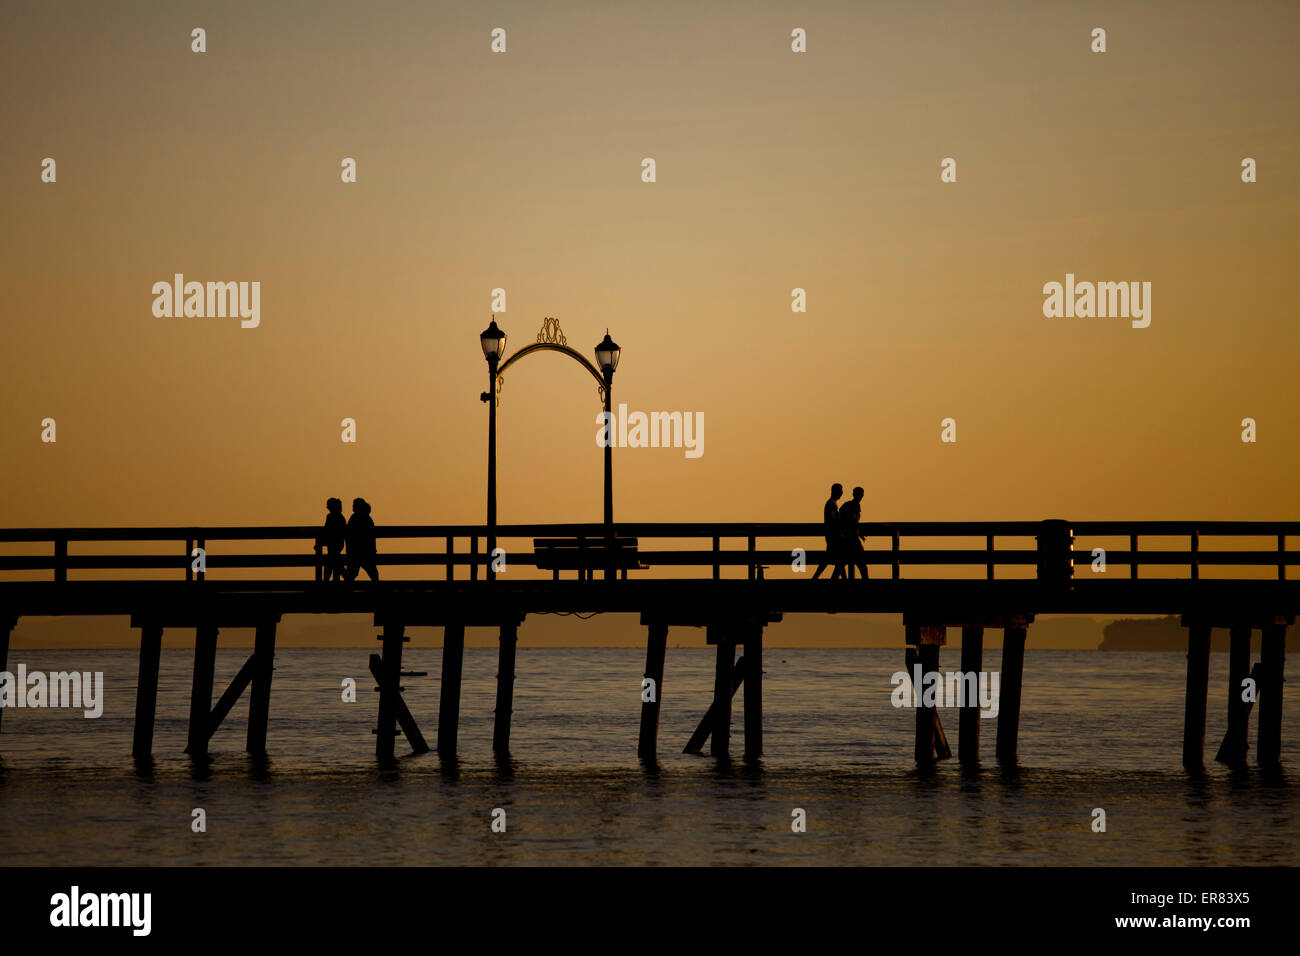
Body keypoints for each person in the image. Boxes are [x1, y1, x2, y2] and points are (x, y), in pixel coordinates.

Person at [811, 483, 844, 580]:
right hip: (833, 536)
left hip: (831, 535)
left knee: (834, 560)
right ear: (836, 491)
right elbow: (832, 521)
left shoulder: (831, 503)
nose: (842, 493)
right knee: (837, 560)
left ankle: (815, 578)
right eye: (841, 491)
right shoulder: (831, 504)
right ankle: (816, 578)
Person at [345, 498, 380, 581]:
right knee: (373, 574)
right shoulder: (368, 518)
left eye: (354, 505)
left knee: (351, 574)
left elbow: (348, 532)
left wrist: (349, 548)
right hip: (368, 551)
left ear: (358, 506)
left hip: (355, 551)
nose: (352, 506)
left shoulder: (354, 518)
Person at [838, 486, 869, 580]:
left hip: (846, 538)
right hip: (852, 539)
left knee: (842, 564)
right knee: (862, 564)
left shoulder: (847, 504)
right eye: (860, 495)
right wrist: (859, 533)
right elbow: (852, 522)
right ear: (854, 495)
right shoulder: (854, 506)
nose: (860, 497)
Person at [317, 497, 346, 582]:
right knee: (335, 562)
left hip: (333, 543)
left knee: (331, 562)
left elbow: (326, 530)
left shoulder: (331, 517)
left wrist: (320, 542)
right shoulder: (341, 517)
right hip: (339, 543)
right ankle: (346, 580)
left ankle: (326, 581)